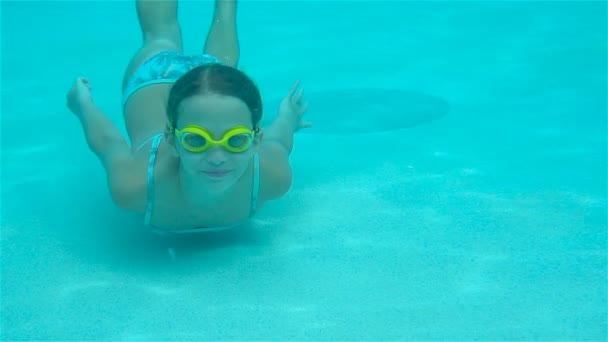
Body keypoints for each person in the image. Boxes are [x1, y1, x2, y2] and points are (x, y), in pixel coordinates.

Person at [66, 0, 311, 234]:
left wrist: (289, 117)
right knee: (162, 35)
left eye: (235, 140)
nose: (217, 159)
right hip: (157, 74)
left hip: (185, 87)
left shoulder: (273, 178)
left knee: (218, 69)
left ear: (256, 141)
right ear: (172, 141)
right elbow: (109, 145)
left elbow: (278, 140)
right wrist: (83, 105)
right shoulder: (137, 187)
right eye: (197, 140)